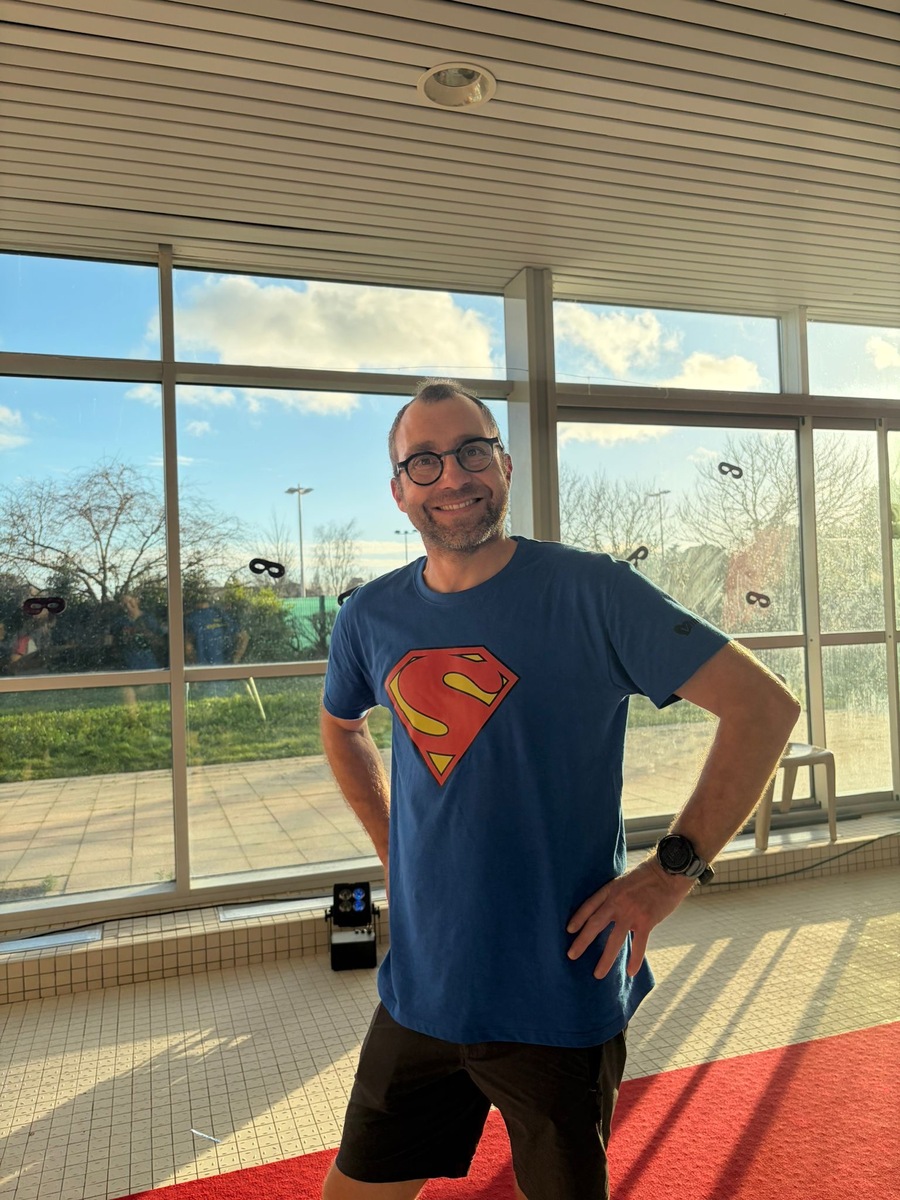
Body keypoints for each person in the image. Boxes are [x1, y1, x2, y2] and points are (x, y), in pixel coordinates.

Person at [319, 379, 800, 1200]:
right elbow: (342, 726)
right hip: (424, 988)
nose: (453, 476)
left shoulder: (593, 591)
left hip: (558, 988)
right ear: (398, 490)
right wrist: (392, 843)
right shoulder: (370, 614)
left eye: (472, 451)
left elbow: (763, 708)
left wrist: (669, 874)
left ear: (504, 465)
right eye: (424, 461)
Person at [184, 593, 248, 697]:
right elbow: (244, 637)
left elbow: (188, 648)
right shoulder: (222, 615)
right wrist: (235, 661)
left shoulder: (191, 619)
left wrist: (193, 667)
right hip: (225, 674)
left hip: (203, 675)